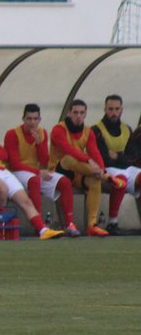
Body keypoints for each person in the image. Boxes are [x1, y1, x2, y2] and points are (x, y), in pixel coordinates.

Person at [0, 106, 63, 239]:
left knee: (26, 201)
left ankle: (43, 230)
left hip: (3, 170)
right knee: (3, 189)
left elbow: (3, 154)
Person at [4, 103, 80, 236]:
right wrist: (38, 172)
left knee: (64, 182)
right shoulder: (12, 134)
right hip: (18, 172)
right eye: (29, 119)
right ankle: (39, 226)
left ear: (39, 119)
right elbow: (14, 164)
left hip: (34, 172)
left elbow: (44, 161)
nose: (32, 122)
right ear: (23, 119)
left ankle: (69, 224)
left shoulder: (42, 132)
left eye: (35, 119)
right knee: (35, 180)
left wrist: (39, 144)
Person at [49, 99, 110, 237]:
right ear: (69, 113)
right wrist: (89, 161)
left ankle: (92, 225)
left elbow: (95, 152)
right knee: (68, 159)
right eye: (75, 112)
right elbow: (68, 149)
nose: (78, 116)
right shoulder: (58, 129)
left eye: (82, 113)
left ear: (85, 114)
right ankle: (69, 224)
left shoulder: (88, 131)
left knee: (95, 180)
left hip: (77, 172)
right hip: (58, 172)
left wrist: (101, 169)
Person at [91, 94, 133, 235]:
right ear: (105, 109)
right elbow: (104, 158)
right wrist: (122, 157)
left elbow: (132, 157)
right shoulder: (96, 129)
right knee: (120, 180)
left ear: (121, 110)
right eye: (110, 109)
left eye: (116, 109)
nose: (114, 112)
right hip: (106, 169)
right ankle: (112, 222)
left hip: (126, 168)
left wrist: (117, 156)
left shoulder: (127, 129)